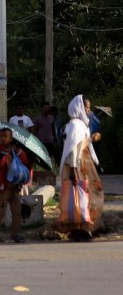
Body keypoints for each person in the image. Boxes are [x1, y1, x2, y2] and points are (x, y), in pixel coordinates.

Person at [56, 94, 104, 234]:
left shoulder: (81, 125)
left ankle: (82, 225)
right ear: (79, 108)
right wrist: (73, 171)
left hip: (81, 164)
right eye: (86, 107)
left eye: (89, 108)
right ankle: (78, 227)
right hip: (76, 166)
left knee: (84, 195)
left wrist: (91, 139)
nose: (88, 111)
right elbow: (73, 151)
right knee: (78, 196)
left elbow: (81, 144)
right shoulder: (75, 126)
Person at [0, 127, 31, 243]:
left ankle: (15, 234)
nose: (2, 139)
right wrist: (8, 156)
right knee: (0, 212)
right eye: (1, 136)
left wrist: (17, 152)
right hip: (3, 187)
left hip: (14, 187)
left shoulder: (15, 151)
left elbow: (25, 161)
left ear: (11, 138)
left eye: (5, 136)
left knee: (17, 211)